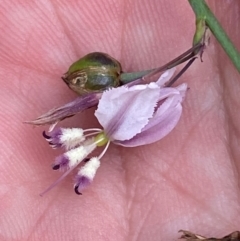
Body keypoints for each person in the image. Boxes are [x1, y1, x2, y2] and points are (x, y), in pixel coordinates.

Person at [0, 0, 239, 240]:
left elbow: (159, 98)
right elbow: (158, 99)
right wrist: (164, 89)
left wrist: (165, 90)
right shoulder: (120, 123)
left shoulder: (117, 120)